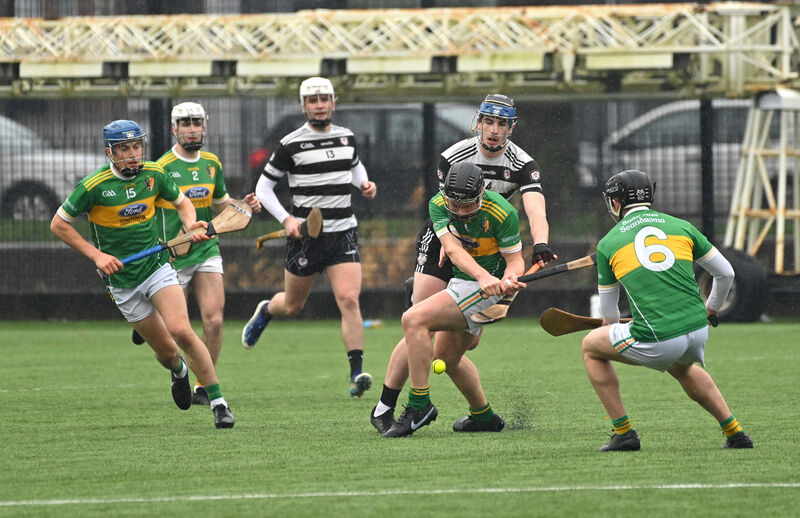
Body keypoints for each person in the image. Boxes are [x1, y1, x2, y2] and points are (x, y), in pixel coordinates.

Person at [371, 93, 554, 433]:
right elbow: (449, 207)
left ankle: (481, 415)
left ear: (512, 127)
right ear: (478, 122)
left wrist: (541, 243)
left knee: (453, 350)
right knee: (418, 319)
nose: (494, 130)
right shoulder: (454, 156)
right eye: (488, 121)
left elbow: (535, 208)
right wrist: (452, 243)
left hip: (486, 242)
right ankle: (387, 405)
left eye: (502, 123)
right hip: (445, 237)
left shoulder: (523, 165)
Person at [50, 119, 235, 429]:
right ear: (110, 152)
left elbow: (183, 203)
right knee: (166, 352)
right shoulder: (93, 187)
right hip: (122, 282)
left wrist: (189, 224)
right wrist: (97, 255)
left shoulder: (154, 174)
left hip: (156, 267)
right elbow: (59, 224)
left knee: (182, 330)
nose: (133, 154)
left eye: (136, 147)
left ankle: (218, 402)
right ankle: (178, 372)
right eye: (124, 149)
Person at [582, 169, 753, 451]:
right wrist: (710, 310)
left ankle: (624, 434)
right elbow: (726, 274)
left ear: (615, 202)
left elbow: (609, 316)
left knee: (591, 347)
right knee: (681, 366)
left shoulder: (608, 244)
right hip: (697, 331)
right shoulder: (682, 226)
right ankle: (735, 432)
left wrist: (609, 330)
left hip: (659, 338)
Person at [242, 77, 378, 398]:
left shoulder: (347, 137)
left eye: (324, 99)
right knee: (292, 305)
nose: (319, 105)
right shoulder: (290, 144)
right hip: (305, 237)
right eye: (312, 100)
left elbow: (355, 167)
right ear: (304, 106)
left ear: (333, 102)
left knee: (348, 299)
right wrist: (287, 219)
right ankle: (266, 311)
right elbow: (264, 188)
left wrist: (365, 185)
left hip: (343, 232)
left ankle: (356, 374)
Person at [382, 162, 525, 437]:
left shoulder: (503, 213)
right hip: (469, 281)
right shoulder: (438, 203)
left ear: (482, 193)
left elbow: (515, 260)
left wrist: (509, 278)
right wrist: (483, 277)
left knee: (413, 319)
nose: (460, 211)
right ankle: (483, 417)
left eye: (468, 205)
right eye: (455, 205)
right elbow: (452, 249)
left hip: (483, 289)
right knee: (447, 358)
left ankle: (418, 406)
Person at [142, 102, 261, 405]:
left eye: (196, 123)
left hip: (206, 247)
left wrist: (242, 206)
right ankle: (177, 368)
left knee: (215, 321)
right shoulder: (161, 168)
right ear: (174, 129)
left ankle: (202, 386)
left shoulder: (211, 164)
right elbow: (146, 213)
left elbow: (220, 205)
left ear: (204, 127)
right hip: (173, 255)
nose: (192, 128)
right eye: (185, 124)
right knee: (174, 334)